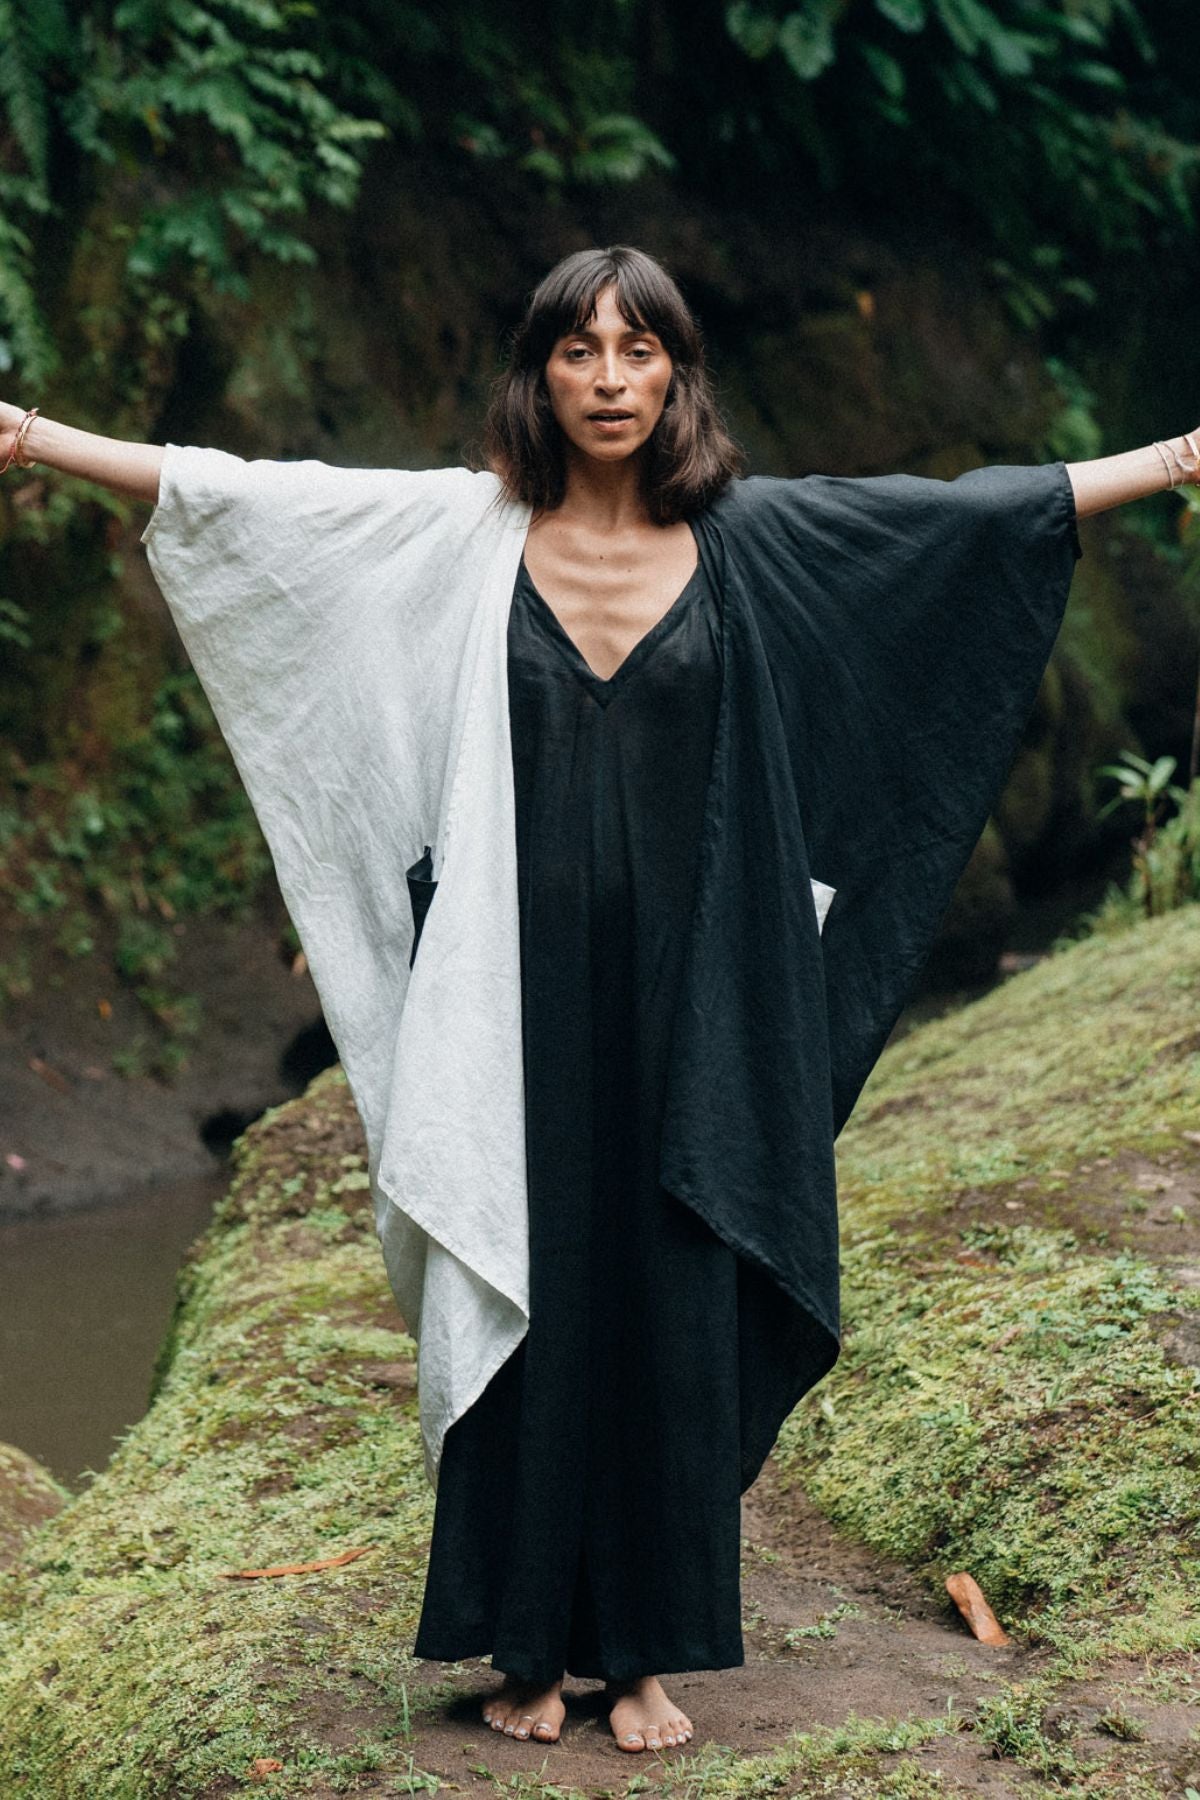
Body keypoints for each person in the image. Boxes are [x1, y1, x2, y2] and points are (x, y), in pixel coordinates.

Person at [3, 246, 1197, 1755]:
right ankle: (525, 1642)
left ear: (679, 377)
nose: (613, 378)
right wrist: (37, 439)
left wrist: (1172, 459)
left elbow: (960, 523)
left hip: (700, 999)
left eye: (642, 352)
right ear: (541, 374)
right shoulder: (465, 535)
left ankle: (641, 1655)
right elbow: (248, 498)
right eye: (583, 351)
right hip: (511, 1001)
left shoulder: (750, 541)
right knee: (527, 1279)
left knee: (671, 1297)